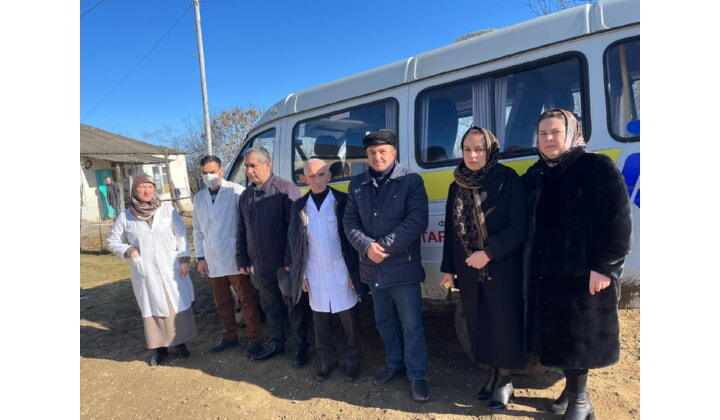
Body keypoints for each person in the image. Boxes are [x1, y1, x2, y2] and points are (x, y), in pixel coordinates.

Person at [522, 108, 632, 420]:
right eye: (543, 134)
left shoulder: (595, 167)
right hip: (547, 275)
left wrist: (605, 266)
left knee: (578, 339)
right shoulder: (536, 174)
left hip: (584, 274)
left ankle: (581, 403)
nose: (548, 139)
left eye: (555, 132)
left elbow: (618, 221)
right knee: (559, 339)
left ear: (572, 133)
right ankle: (572, 392)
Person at [439, 126, 528, 411]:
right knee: (479, 324)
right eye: (467, 150)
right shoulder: (456, 184)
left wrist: (489, 253)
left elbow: (519, 226)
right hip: (468, 270)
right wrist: (447, 269)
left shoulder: (507, 179)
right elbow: (451, 232)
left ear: (490, 151)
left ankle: (505, 380)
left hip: (501, 267)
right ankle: (492, 373)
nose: (473, 155)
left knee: (503, 323)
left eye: (479, 149)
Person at [343, 129, 431, 402]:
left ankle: (417, 375)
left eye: (382, 151)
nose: (377, 157)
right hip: (373, 268)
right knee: (384, 322)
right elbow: (349, 222)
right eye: (372, 153)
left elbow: (417, 220)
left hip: (402, 266)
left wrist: (384, 246)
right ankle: (395, 364)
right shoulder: (357, 184)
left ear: (394, 153)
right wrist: (367, 246)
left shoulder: (410, 181)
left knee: (412, 325)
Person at [286, 158, 369, 382]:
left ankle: (352, 362)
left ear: (329, 176)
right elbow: (295, 242)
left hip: (341, 269)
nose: (317, 180)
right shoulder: (299, 207)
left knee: (349, 321)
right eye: (312, 176)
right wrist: (302, 274)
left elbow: (353, 238)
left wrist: (354, 271)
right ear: (304, 179)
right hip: (314, 271)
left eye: (321, 174)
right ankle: (327, 362)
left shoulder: (342, 201)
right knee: (320, 323)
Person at [107, 173, 197, 366]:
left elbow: (181, 235)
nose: (147, 191)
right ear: (135, 190)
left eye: (150, 186)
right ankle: (159, 348)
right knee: (153, 309)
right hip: (146, 271)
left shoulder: (167, 210)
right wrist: (129, 251)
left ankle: (180, 344)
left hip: (171, 266)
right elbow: (112, 241)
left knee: (174, 306)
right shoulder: (126, 216)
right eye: (142, 187)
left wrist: (184, 259)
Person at [236, 146, 311, 367]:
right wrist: (242, 259)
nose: (249, 171)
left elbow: (297, 231)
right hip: (260, 265)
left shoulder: (285, 190)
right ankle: (277, 344)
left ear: (267, 164)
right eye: (247, 167)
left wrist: (290, 261)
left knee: (294, 308)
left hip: (284, 266)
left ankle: (301, 349)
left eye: (253, 166)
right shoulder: (246, 196)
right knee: (271, 308)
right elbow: (241, 230)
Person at [192, 155, 264, 358]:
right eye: (205, 173)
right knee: (222, 301)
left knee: (246, 300)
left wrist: (247, 255)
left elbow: (247, 224)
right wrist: (200, 258)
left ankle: (254, 339)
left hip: (235, 257)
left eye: (212, 172)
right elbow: (197, 230)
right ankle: (230, 336)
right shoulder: (199, 198)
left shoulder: (236, 192)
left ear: (222, 171)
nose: (209, 176)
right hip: (212, 258)